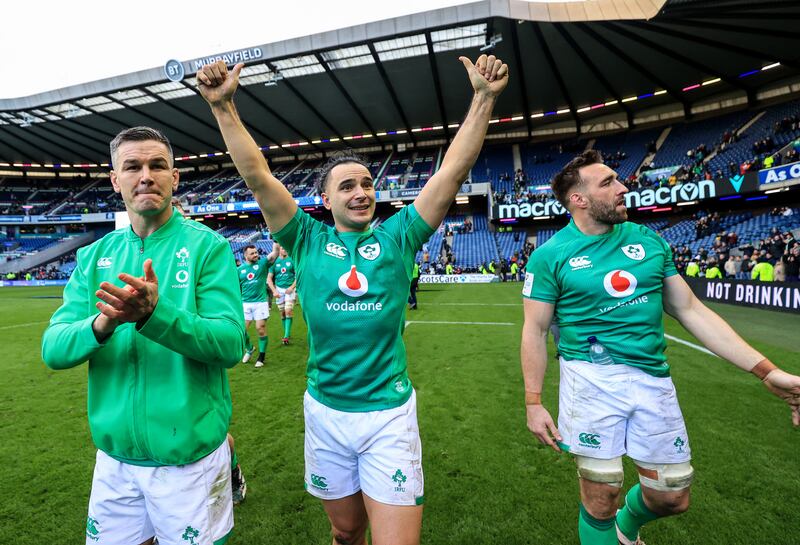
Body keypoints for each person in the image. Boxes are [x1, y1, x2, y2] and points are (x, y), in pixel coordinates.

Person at [198, 53, 508, 545]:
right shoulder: (304, 238)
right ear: (325, 200)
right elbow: (258, 176)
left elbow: (451, 172)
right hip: (325, 412)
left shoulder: (400, 235)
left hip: (387, 415)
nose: (362, 192)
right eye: (347, 186)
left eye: (367, 184)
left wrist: (484, 99)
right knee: (345, 534)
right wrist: (223, 107)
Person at [520, 150, 800, 545]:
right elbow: (534, 330)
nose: (623, 187)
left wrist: (767, 371)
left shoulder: (648, 241)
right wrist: (533, 401)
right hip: (589, 380)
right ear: (578, 200)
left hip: (653, 380)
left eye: (618, 179)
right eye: (608, 183)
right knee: (602, 493)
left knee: (672, 494)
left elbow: (690, 310)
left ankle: (626, 528)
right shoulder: (550, 256)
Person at [41, 126, 245, 545]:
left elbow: (229, 343)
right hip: (115, 463)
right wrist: (104, 323)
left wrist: (156, 315)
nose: (146, 175)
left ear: (175, 177)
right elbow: (53, 348)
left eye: (157, 165)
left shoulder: (208, 248)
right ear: (116, 180)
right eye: (132, 166)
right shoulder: (92, 256)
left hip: (188, 463)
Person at [171, 197, 248, 504]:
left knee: (211, 432)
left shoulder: (201, 251)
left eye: (178, 216)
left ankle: (232, 471)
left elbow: (225, 332)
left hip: (199, 363)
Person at [238, 242, 279, 367]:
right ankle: (249, 349)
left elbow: (274, 254)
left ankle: (261, 357)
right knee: (241, 330)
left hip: (260, 302)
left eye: (256, 252)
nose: (255, 255)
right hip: (245, 303)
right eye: (252, 253)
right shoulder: (239, 270)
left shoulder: (262, 264)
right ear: (246, 256)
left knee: (260, 328)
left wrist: (275, 242)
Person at [267, 242, 297, 345]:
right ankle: (286, 332)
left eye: (285, 248)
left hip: (290, 289)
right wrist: (274, 290)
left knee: (288, 311)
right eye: (282, 248)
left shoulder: (292, 260)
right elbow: (269, 278)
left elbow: (298, 276)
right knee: (282, 314)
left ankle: (286, 336)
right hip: (279, 290)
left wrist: (292, 287)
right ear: (279, 249)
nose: (284, 250)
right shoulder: (274, 263)